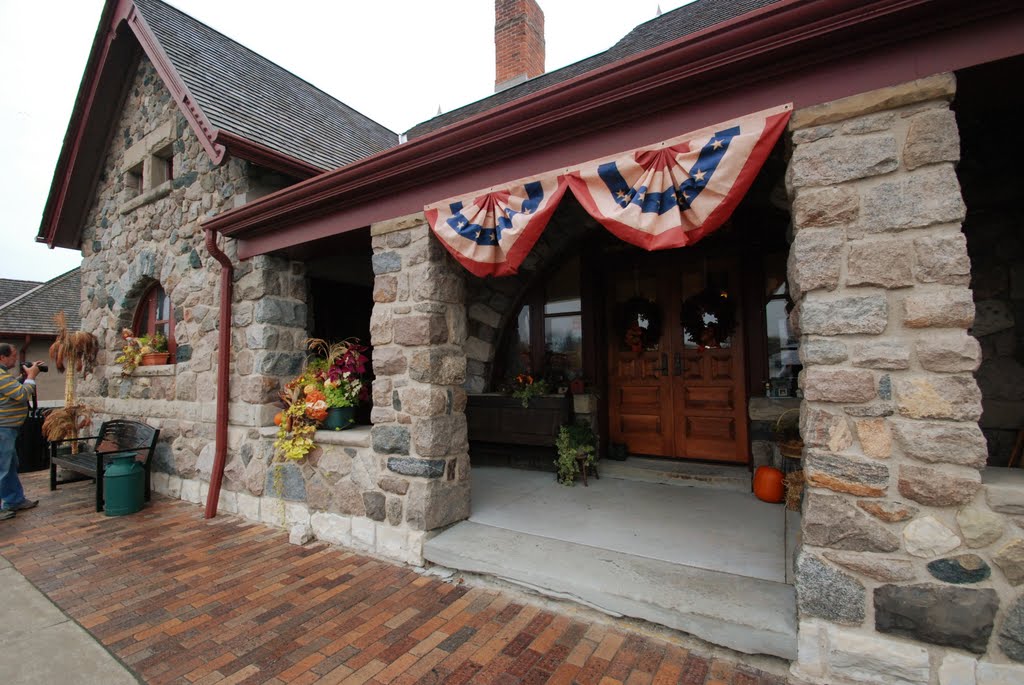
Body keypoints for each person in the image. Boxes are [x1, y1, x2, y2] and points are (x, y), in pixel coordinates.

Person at [0, 343, 42, 520]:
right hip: (3, 429)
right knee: (2, 468)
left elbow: (11, 390)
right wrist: (31, 377)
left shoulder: (5, 376)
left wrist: (23, 377)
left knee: (9, 466)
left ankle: (15, 500)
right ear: (2, 357)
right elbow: (22, 395)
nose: (16, 358)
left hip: (8, 429)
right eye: (13, 355)